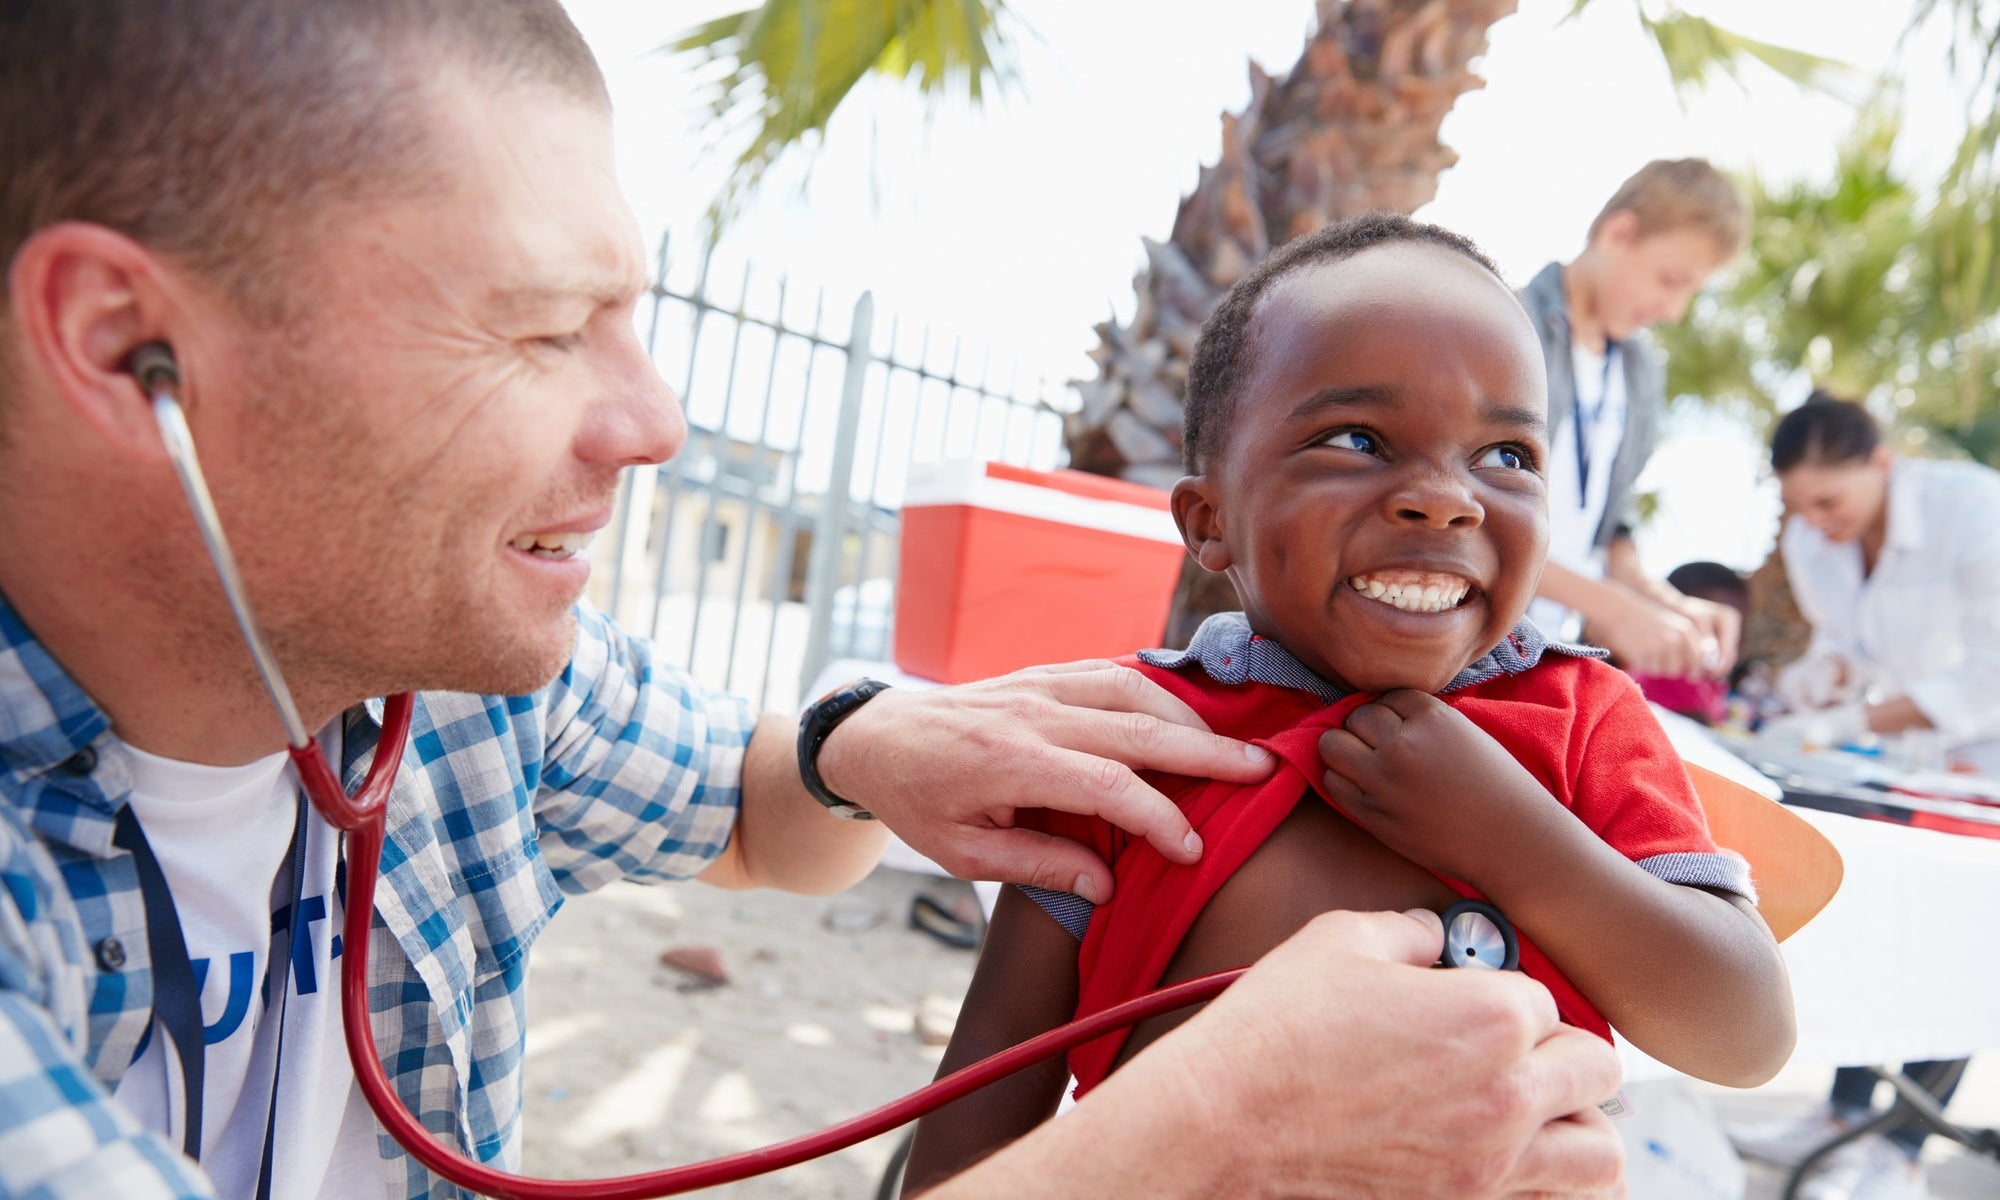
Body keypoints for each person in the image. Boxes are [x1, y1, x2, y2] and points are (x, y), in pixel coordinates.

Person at [0, 3, 1628, 1198]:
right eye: (540, 328)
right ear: (121, 346)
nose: (654, 423)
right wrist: (1202, 1140)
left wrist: (879, 744)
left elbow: (772, 814)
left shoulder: (437, 691)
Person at [901, 214, 1795, 1195]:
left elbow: (1745, 1032)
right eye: (1356, 439)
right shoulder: (1128, 740)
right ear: (1209, 523)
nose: (1445, 500)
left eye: (1505, 455)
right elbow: (983, 1095)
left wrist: (1509, 836)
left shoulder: (1580, 718)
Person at [1728, 391, 2000, 1200]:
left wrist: (1856, 715)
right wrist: (1820, 681)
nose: (1814, 522)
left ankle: (1903, 1146)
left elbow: (1990, 673)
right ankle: (1845, 1114)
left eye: (1828, 500)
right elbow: (1846, 647)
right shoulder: (1820, 542)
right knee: (1886, 906)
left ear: (1882, 463)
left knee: (1965, 928)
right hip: (1913, 758)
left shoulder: (1974, 509)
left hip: (1988, 753)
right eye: (1796, 506)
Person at [1518, 159, 1748, 681]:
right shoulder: (1508, 327)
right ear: (1618, 233)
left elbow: (1610, 529)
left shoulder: (1641, 371)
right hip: (1467, 647)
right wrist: (1613, 608)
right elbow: (1480, 514)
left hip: (1545, 655)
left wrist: (1666, 604)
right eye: (1670, 280)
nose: (1675, 310)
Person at [1631, 561, 1752, 725]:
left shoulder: (1709, 678)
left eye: (1736, 629)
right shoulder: (1669, 672)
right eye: (1713, 626)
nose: (1725, 640)